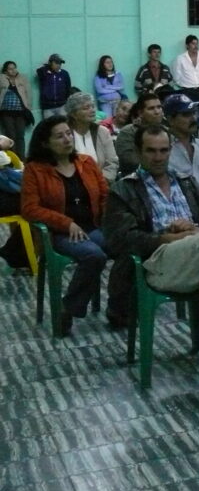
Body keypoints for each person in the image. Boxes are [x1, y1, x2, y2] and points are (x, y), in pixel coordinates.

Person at [104, 124, 199, 400]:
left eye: (163, 150)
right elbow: (120, 240)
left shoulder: (185, 181)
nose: (158, 157)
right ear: (138, 152)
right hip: (158, 261)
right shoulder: (124, 190)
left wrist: (195, 229)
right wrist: (166, 238)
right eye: (151, 151)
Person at [21, 116, 110, 335]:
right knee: (94, 255)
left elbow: (105, 196)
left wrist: (112, 220)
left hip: (92, 227)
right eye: (59, 136)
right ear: (45, 143)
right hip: (59, 234)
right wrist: (66, 223)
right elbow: (29, 209)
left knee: (128, 246)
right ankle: (67, 308)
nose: (67, 139)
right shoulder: (35, 169)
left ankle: (119, 308)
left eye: (69, 134)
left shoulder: (86, 163)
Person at [63, 92, 118, 182]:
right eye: (86, 108)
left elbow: (112, 162)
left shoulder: (102, 132)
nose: (92, 110)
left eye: (93, 106)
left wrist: (101, 181)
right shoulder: (65, 134)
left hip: (102, 182)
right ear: (73, 114)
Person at [0, 60, 32, 158]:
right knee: (10, 135)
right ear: (5, 70)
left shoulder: (22, 78)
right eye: (10, 69)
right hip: (6, 111)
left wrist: (29, 107)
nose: (13, 70)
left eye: (14, 68)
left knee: (20, 135)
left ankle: (21, 158)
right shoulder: (1, 78)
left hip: (20, 111)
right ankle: (13, 158)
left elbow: (28, 93)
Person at [171, 35, 199, 104]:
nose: (196, 46)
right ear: (187, 45)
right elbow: (176, 78)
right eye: (193, 44)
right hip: (187, 91)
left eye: (197, 44)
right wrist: (185, 84)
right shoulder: (180, 59)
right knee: (189, 109)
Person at [37, 53, 72, 118]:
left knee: (63, 123)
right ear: (50, 63)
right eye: (56, 63)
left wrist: (66, 101)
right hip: (48, 107)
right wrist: (48, 68)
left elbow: (68, 88)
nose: (58, 65)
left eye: (60, 63)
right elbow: (39, 71)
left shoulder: (64, 74)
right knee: (50, 124)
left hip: (62, 106)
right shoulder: (44, 73)